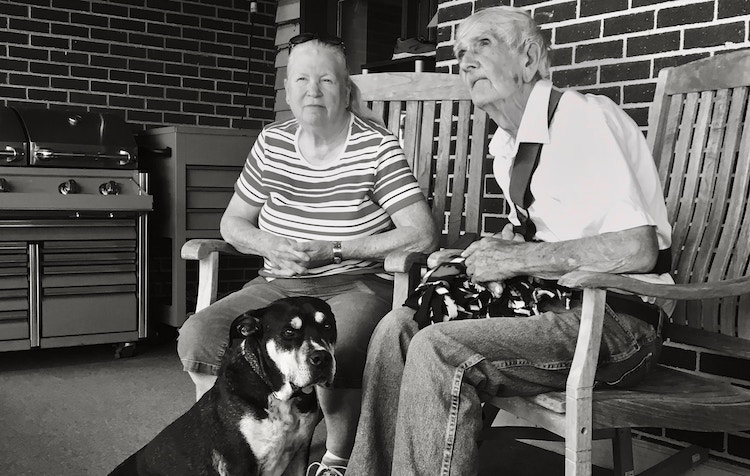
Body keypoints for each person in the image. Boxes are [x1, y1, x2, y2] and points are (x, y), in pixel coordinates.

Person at [346, 6, 674, 476]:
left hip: (617, 324)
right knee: (396, 330)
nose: (465, 61)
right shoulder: (508, 147)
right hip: (557, 308)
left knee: (437, 349)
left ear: (530, 58)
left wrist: (517, 258)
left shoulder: (580, 118)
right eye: (460, 52)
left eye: (483, 45)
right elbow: (552, 235)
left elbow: (637, 248)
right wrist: (479, 256)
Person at [177, 33, 438, 476]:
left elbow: (421, 234)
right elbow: (231, 224)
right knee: (200, 336)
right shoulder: (272, 142)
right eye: (301, 79)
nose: (312, 90)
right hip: (277, 285)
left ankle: (335, 461)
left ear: (346, 89)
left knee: (342, 348)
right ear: (288, 90)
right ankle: (231, 441)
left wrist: (333, 249)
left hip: (354, 283)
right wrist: (270, 244)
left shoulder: (376, 147)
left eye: (325, 80)